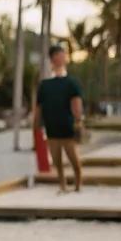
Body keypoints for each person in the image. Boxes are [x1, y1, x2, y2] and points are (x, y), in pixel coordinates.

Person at [34, 42, 84, 192]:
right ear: (51, 59)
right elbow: (39, 107)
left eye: (61, 55)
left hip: (67, 127)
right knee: (56, 160)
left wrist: (78, 121)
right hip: (51, 128)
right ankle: (62, 185)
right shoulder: (44, 85)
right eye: (56, 56)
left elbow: (76, 104)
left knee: (73, 158)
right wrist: (36, 125)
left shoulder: (72, 83)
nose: (59, 58)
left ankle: (78, 184)